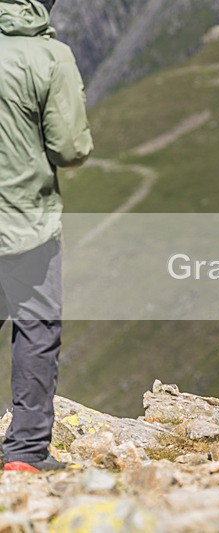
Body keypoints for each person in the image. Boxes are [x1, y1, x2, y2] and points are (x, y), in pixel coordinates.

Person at [0, 0, 93, 471]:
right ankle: (24, 454)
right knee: (36, 329)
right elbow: (70, 147)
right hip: (24, 221)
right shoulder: (49, 57)